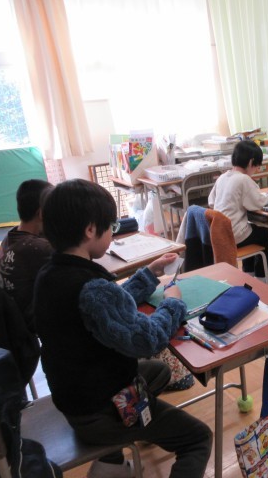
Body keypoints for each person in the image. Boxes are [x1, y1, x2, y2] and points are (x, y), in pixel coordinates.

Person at [34, 179, 212, 478]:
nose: (112, 234)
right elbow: (148, 340)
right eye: (111, 227)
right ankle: (121, 439)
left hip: (73, 395)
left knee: (159, 371)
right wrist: (173, 303)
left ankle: (122, 448)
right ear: (90, 229)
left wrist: (150, 273)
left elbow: (106, 310)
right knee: (198, 438)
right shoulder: (91, 288)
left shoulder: (50, 273)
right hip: (100, 412)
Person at [208, 140, 268, 279]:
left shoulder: (223, 177)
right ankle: (262, 277)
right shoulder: (243, 179)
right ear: (251, 162)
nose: (256, 171)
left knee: (250, 228)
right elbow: (259, 203)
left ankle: (248, 272)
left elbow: (211, 202)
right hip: (234, 234)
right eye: (256, 167)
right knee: (266, 233)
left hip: (219, 232)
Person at [0, 179, 54, 330]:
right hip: (33, 320)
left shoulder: (11, 237)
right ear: (41, 213)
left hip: (14, 317)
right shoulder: (37, 248)